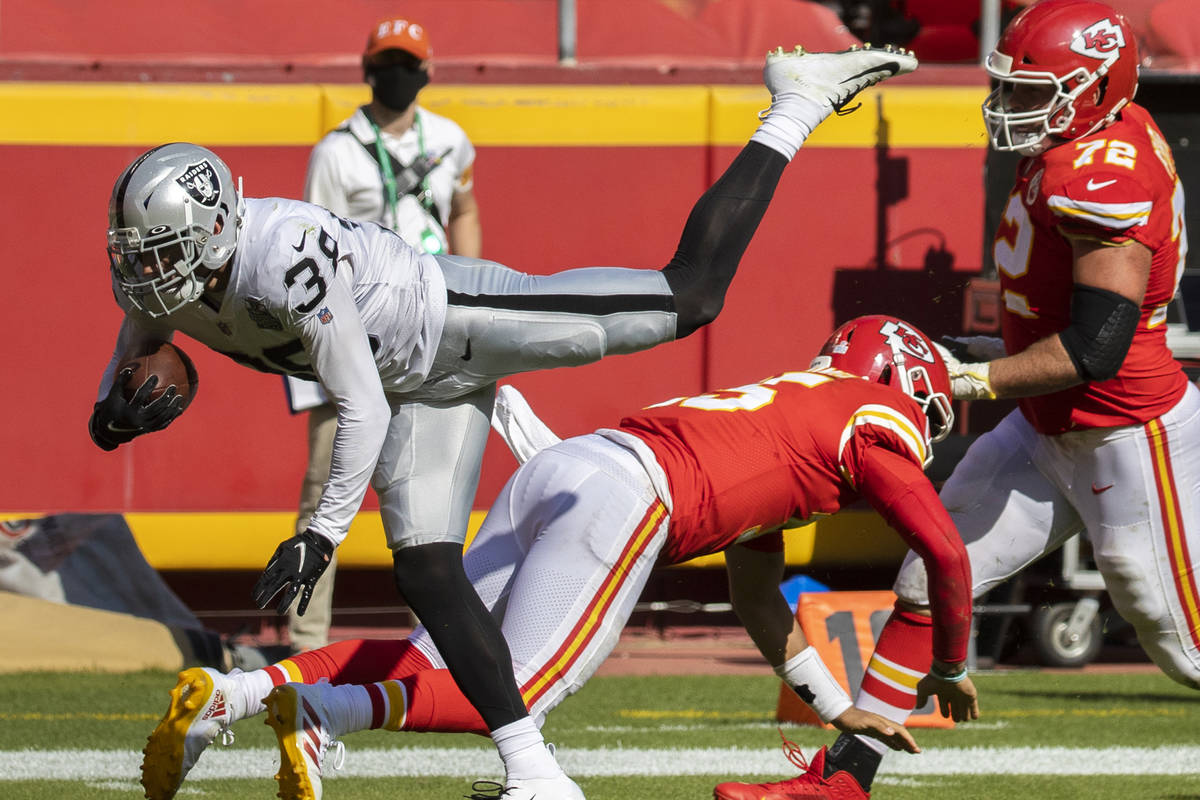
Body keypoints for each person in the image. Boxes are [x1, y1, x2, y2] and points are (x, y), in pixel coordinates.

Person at [101, 43, 919, 800]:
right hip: (419, 389)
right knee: (425, 572)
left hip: (456, 320)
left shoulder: (282, 256)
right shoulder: (163, 285)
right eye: (138, 253)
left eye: (159, 250)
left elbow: (359, 403)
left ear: (213, 231)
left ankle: (795, 101)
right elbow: (140, 341)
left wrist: (319, 534)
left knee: (687, 297)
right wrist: (110, 411)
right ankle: (531, 772)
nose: (145, 270)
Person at [134, 314, 973, 800]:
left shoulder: (787, 428)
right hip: (627, 498)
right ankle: (323, 717)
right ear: (894, 380)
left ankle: (240, 693)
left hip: (565, 467)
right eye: (927, 409)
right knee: (514, 697)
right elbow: (945, 550)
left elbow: (760, 604)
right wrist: (951, 661)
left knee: (437, 655)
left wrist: (837, 709)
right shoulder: (871, 418)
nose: (924, 434)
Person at [715, 2, 1199, 798]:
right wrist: (972, 355)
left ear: (1094, 87)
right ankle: (841, 783)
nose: (1011, 107)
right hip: (1050, 428)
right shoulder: (1079, 138)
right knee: (927, 580)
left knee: (1184, 651)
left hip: (1129, 436)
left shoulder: (1102, 170)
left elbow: (1095, 348)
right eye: (1009, 87)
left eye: (1034, 90)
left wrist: (969, 377)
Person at [282, 15, 483, 653]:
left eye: (408, 61)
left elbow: (466, 209)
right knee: (326, 486)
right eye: (388, 61)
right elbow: (310, 247)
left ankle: (432, 641)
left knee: (430, 490)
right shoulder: (336, 151)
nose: (398, 73)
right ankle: (305, 639)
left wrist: (469, 282)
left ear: (427, 71)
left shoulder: (451, 140)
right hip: (357, 334)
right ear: (368, 69)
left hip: (428, 328)